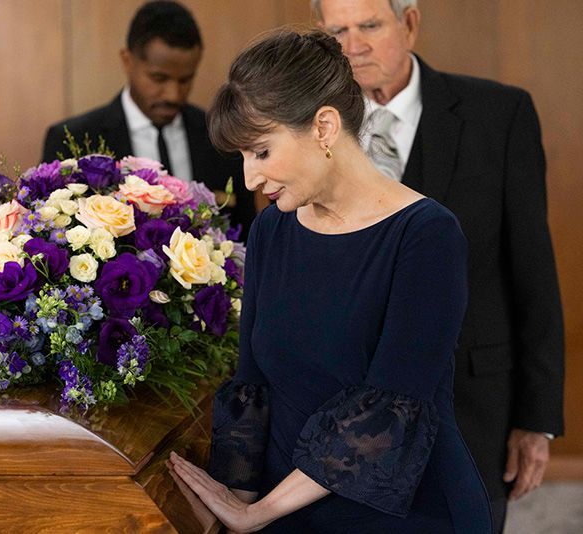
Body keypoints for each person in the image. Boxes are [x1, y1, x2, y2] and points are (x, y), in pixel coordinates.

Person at [168, 28, 492, 533]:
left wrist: (257, 513)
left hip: (404, 515)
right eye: (242, 158)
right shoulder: (274, 227)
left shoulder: (428, 235)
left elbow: (389, 409)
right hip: (281, 510)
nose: (249, 179)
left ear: (323, 127)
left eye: (261, 152)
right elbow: (252, 385)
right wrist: (236, 505)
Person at [311, 1, 565, 530]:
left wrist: (536, 419)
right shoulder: (308, 126)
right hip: (342, 413)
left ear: (410, 23)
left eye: (370, 25)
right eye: (338, 30)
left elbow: (534, 275)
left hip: (475, 407)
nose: (354, 45)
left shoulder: (500, 114)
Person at [42, 0, 255, 239]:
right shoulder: (74, 140)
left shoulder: (222, 135)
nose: (173, 94)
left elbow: (247, 236)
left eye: (185, 79)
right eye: (158, 78)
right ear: (127, 61)